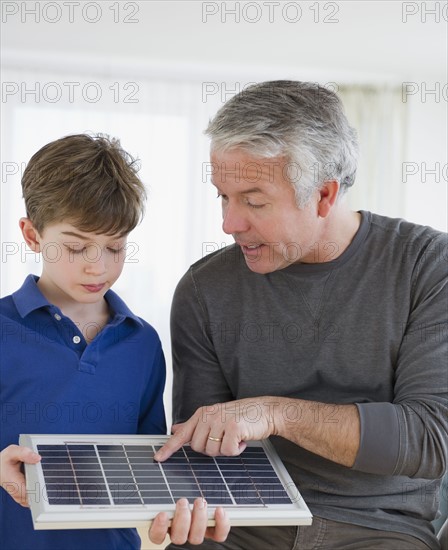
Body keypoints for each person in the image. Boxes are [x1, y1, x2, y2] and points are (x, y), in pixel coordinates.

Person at [154, 81, 448, 549]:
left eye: (253, 201)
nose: (230, 223)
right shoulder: (202, 290)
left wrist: (275, 414)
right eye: (222, 197)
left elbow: (432, 439)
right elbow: (201, 454)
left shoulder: (427, 266)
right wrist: (183, 510)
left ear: (324, 196)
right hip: (241, 523)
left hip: (379, 530)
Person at [0, 134, 229, 550]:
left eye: (114, 247)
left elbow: (150, 466)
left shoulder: (142, 343)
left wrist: (188, 513)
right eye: (76, 246)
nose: (97, 265)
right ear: (32, 235)